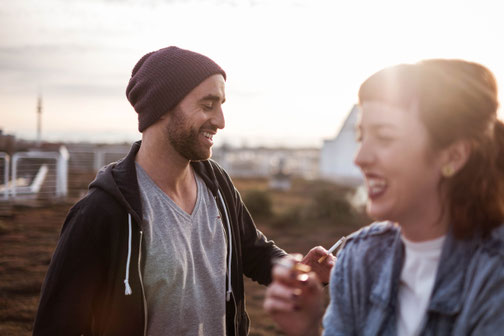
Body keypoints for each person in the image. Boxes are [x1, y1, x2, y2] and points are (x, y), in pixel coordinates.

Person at [33, 46, 334, 336]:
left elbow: (251, 251)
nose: (220, 121)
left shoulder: (218, 185)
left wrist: (296, 271)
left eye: (220, 106)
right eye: (207, 105)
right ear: (162, 107)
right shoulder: (101, 212)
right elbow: (57, 325)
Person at [264, 59, 504, 335]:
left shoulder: (493, 273)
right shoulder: (359, 257)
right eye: (361, 138)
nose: (361, 158)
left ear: (453, 155)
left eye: (385, 137)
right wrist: (306, 329)